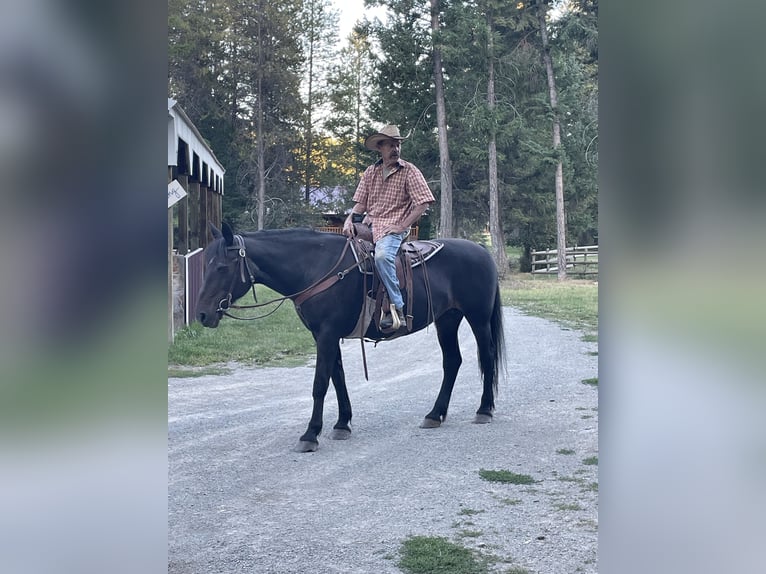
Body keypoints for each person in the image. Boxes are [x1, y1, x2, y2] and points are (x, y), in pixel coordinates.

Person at [343, 125, 435, 330]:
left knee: (383, 257)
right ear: (380, 148)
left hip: (393, 227)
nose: (395, 149)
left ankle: (397, 307)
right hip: (370, 225)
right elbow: (361, 204)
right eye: (391, 145)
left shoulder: (409, 170)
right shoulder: (370, 172)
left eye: (398, 144)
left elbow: (423, 202)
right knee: (345, 253)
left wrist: (403, 225)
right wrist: (350, 219)